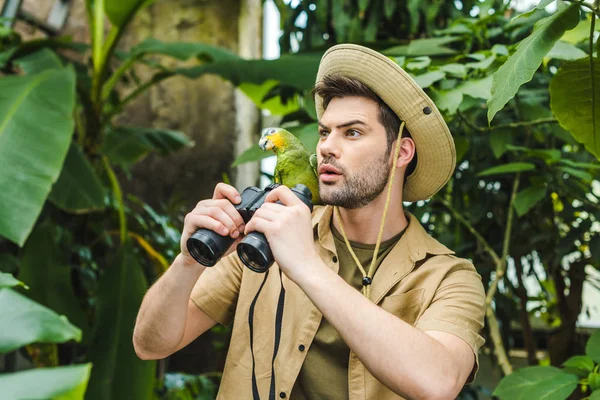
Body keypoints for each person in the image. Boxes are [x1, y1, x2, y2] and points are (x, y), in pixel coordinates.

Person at [133, 44, 486, 400]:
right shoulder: (265, 236)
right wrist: (188, 263)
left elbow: (438, 383)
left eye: (352, 132)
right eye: (323, 132)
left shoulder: (449, 277)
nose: (326, 147)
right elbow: (151, 345)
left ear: (401, 152)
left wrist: (305, 266)